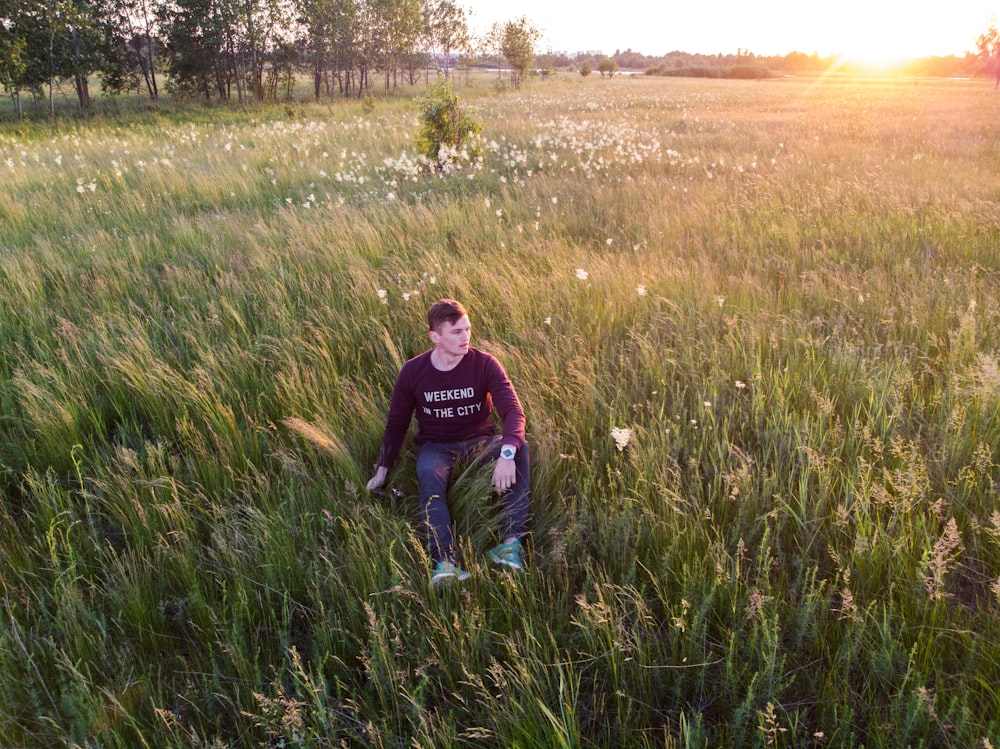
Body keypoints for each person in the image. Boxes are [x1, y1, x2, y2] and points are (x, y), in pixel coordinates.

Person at [366, 299, 530, 584]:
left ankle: (510, 545)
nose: (465, 337)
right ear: (435, 337)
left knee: (520, 450)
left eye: (467, 329)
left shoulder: (485, 364)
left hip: (480, 443)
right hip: (437, 447)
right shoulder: (413, 372)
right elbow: (397, 424)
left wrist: (506, 454)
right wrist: (383, 468)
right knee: (428, 473)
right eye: (456, 331)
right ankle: (445, 563)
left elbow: (513, 412)